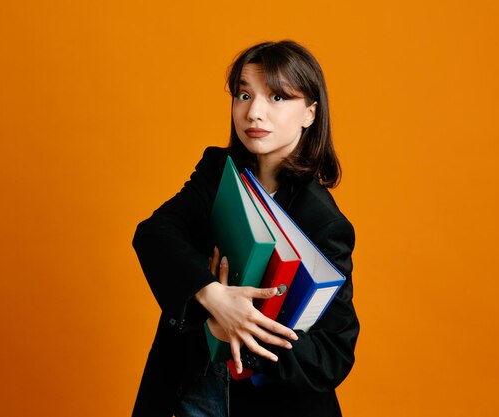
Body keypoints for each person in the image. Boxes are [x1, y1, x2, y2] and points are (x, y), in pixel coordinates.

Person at [131, 40, 359, 417]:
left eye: (278, 97)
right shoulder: (218, 172)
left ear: (310, 113)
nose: (254, 112)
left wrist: (242, 332)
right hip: (189, 385)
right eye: (243, 94)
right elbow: (154, 234)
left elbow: (332, 354)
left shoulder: (325, 223)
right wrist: (213, 298)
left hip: (270, 404)